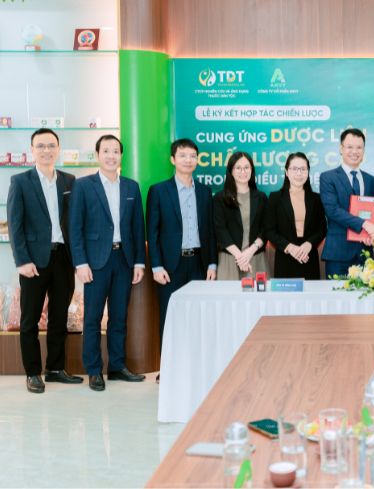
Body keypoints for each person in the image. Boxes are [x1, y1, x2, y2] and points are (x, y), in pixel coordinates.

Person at [68, 135, 146, 391]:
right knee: (92, 318)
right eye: (106, 151)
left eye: (116, 151)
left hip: (124, 259)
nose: (111, 156)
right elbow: (75, 227)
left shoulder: (131, 187)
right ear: (97, 155)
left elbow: (138, 228)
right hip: (95, 262)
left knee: (119, 317)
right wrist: (80, 262)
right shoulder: (83, 186)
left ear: (121, 155)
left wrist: (139, 262)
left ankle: (117, 366)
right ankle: (93, 370)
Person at [7, 128, 80, 393]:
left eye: (51, 145)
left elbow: (75, 222)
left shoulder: (70, 181)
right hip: (33, 262)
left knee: (59, 317)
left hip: (63, 258)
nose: (46, 150)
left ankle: (55, 369)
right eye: (41, 146)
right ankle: (32, 373)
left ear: (58, 149)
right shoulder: (20, 181)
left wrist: (78, 259)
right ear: (32, 150)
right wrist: (22, 260)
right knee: (30, 320)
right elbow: (15, 225)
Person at [146, 138, 217, 364]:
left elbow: (210, 230)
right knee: (170, 317)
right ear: (173, 159)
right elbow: (152, 232)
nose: (188, 160)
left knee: (197, 317)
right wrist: (156, 266)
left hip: (198, 264)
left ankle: (195, 366)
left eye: (192, 156)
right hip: (169, 266)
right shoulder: (158, 191)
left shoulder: (205, 191)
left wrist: (212, 263)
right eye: (183, 155)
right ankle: (168, 368)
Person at [319, 128, 374, 277]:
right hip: (338, 255)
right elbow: (332, 211)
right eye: (350, 147)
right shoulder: (328, 177)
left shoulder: (371, 180)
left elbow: (370, 213)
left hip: (364, 254)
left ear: (364, 150)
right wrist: (364, 224)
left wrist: (370, 234)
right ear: (341, 149)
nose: (354, 151)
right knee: (336, 293)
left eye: (359, 147)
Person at [263, 152, 327, 279]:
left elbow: (322, 229)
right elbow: (269, 231)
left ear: (308, 172)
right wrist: (289, 247)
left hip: (308, 256)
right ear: (286, 172)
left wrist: (309, 244)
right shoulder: (275, 198)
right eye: (294, 169)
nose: (299, 173)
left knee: (310, 292)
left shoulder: (316, 199)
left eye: (303, 169)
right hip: (285, 257)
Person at [213, 152, 268, 280]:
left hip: (255, 257)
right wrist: (240, 256)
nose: (243, 171)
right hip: (229, 258)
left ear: (251, 170)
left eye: (246, 167)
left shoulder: (261, 197)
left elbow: (266, 229)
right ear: (231, 171)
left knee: (258, 293)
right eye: (238, 168)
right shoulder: (220, 198)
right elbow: (220, 230)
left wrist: (249, 252)